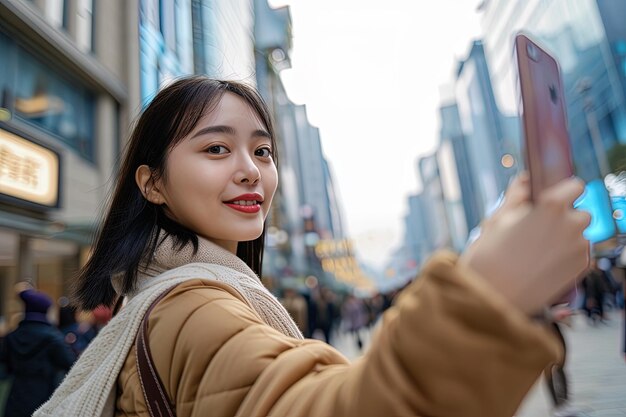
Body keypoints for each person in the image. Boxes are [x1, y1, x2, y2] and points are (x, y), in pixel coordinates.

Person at [35, 76, 590, 417]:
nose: (250, 171)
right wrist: (485, 297)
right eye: (216, 149)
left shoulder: (159, 298)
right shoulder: (193, 308)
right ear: (152, 182)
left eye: (263, 151)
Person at [0, 288, 75, 417]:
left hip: (16, 397)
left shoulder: (11, 337)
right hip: (44, 397)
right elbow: (70, 364)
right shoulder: (53, 338)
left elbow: (5, 368)